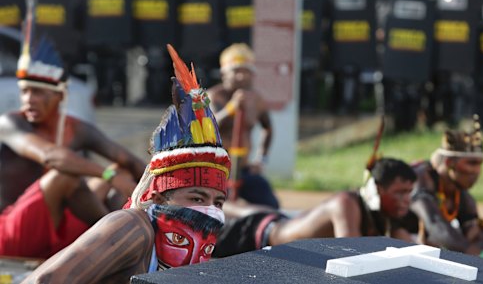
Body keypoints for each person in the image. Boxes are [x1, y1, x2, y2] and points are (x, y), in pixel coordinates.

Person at [23, 44, 230, 283]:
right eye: (196, 198)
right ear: (160, 197)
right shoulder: (133, 227)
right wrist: (112, 176)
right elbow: (43, 281)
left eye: (218, 202)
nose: (210, 211)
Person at [0, 0, 146, 259]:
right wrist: (109, 175)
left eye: (38, 93)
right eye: (24, 93)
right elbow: (52, 157)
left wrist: (160, 187)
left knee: (115, 178)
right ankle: (120, 247)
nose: (28, 100)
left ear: (60, 97)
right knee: (67, 175)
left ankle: (139, 236)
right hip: (11, 233)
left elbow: (131, 162)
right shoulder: (10, 122)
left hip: (60, 225)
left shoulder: (77, 128)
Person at [213, 119, 418, 258]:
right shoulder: (346, 203)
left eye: (409, 193)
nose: (407, 200)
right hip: (257, 236)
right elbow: (352, 255)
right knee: (206, 226)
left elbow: (418, 253)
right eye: (400, 192)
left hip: (278, 222)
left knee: (250, 210)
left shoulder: (387, 216)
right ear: (379, 190)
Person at [409, 115, 483, 259]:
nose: (477, 171)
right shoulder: (422, 178)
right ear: (449, 163)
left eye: (480, 164)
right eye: (471, 163)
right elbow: (434, 224)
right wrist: (481, 256)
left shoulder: (463, 198)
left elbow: (477, 239)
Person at [207, 43, 279, 208]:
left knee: (271, 206)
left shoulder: (256, 99)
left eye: (246, 71)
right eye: (236, 71)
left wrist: (261, 159)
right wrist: (232, 108)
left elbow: (268, 128)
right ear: (224, 73)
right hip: (216, 171)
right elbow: (211, 126)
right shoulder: (214, 96)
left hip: (244, 169)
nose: (242, 76)